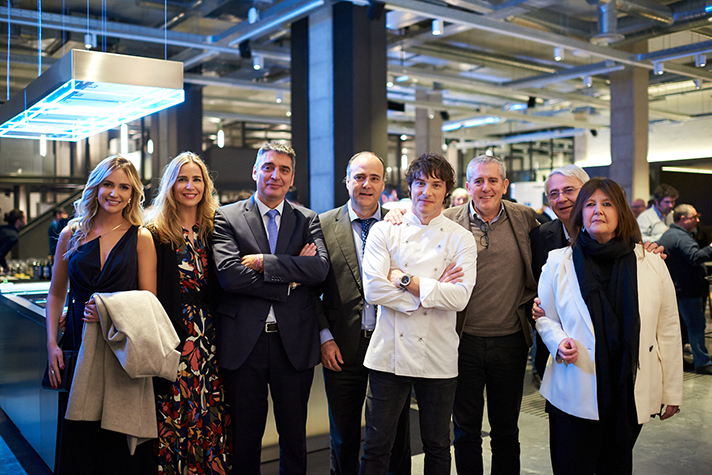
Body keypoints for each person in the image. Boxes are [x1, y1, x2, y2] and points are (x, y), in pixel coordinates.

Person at [536, 177, 682, 475]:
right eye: (589, 204)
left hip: (628, 388)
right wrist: (557, 341)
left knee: (615, 466)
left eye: (606, 204)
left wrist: (672, 391)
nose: (597, 210)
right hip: (574, 387)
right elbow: (545, 317)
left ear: (621, 213)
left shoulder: (650, 262)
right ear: (580, 214)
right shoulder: (558, 262)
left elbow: (667, 329)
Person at [212, 142, 329, 475]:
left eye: (284, 170)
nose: (275, 175)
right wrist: (291, 278)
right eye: (268, 167)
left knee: (294, 436)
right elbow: (230, 277)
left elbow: (319, 269)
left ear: (292, 178)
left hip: (293, 343)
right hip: (243, 344)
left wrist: (266, 263)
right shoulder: (226, 216)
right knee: (244, 437)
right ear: (255, 171)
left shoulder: (307, 219)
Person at [360, 153, 477, 475]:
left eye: (436, 184)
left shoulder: (460, 238)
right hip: (388, 355)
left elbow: (460, 297)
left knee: (438, 445)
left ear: (447, 191)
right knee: (376, 444)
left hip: (438, 355)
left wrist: (405, 280)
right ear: (410, 187)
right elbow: (373, 291)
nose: (427, 191)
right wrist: (429, 294)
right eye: (420, 183)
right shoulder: (384, 231)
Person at [45, 155, 157, 475]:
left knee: (119, 439)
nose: (115, 193)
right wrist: (51, 344)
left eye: (124, 187)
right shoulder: (72, 233)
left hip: (121, 347)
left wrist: (110, 309)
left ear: (133, 193)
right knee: (79, 437)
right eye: (108, 184)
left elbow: (149, 301)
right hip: (77, 346)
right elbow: (56, 293)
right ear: (95, 187)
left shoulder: (141, 236)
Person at [313, 151, 411, 475]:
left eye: (373, 178)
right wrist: (325, 338)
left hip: (392, 346)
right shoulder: (323, 224)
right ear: (346, 181)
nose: (366, 185)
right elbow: (310, 291)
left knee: (394, 436)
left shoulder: (401, 224)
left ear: (383, 183)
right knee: (344, 438)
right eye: (358, 177)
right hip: (342, 348)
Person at [443, 155, 539, 475]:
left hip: (510, 342)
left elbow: (555, 253)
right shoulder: (446, 220)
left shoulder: (525, 218)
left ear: (505, 185)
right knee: (465, 430)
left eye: (493, 180)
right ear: (467, 186)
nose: (486, 188)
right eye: (479, 181)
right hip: (462, 342)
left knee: (506, 431)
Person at [146, 152, 232, 473]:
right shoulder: (155, 232)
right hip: (173, 334)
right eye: (182, 179)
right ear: (170, 185)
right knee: (174, 406)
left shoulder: (217, 227)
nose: (190, 186)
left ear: (206, 186)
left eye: (197, 179)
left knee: (210, 406)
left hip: (213, 336)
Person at [530, 165, 591, 377]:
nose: (561, 199)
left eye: (568, 190)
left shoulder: (607, 232)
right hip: (555, 347)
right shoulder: (540, 235)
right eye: (553, 194)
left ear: (586, 190)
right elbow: (535, 284)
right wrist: (535, 303)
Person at [657, 204, 712, 375]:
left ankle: (680, 361)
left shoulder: (668, 235)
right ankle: (703, 362)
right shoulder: (682, 237)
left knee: (680, 327)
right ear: (683, 219)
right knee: (696, 326)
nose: (697, 220)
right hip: (688, 290)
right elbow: (695, 257)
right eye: (694, 217)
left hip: (675, 289)